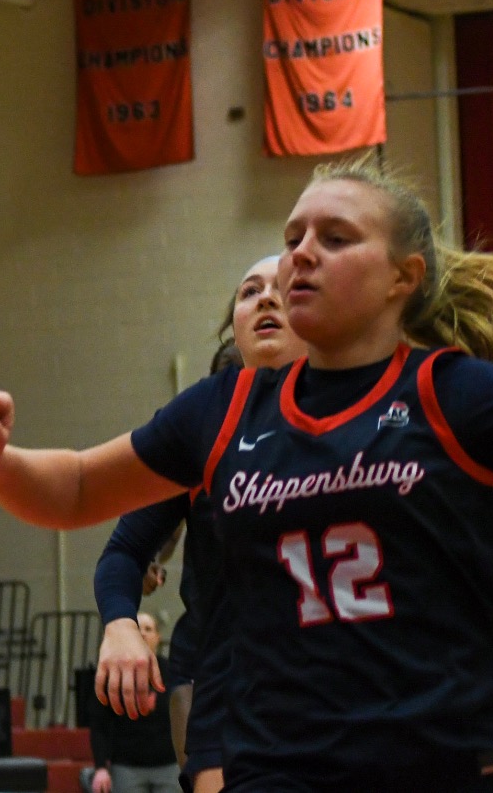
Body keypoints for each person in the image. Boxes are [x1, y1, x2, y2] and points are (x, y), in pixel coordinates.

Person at [0, 155, 493, 793]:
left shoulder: (459, 395)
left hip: (457, 763)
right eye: (292, 238)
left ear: (403, 277)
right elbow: (80, 485)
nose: (302, 253)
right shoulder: (222, 408)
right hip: (284, 762)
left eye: (335, 238)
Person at [92, 256, 310, 793]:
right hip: (222, 672)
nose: (265, 297)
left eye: (281, 288)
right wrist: (120, 621)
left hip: (340, 674)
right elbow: (123, 542)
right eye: (249, 290)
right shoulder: (202, 426)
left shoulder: (366, 412)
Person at [85, 614, 179, 793]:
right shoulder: (111, 673)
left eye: (148, 629)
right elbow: (99, 725)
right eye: (137, 629)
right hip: (126, 766)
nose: (142, 633)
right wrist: (100, 768)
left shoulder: (172, 671)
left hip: (169, 765)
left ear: (158, 637)